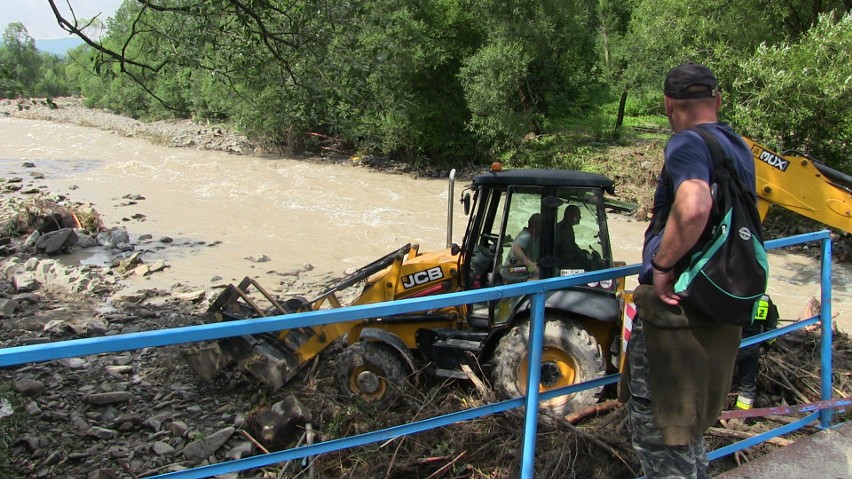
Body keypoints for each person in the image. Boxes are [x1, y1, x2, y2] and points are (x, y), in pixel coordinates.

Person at [619, 62, 758, 479]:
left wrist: (662, 265)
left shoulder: (686, 145)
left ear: (667, 105)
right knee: (690, 428)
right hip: (718, 308)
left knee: (660, 432)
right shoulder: (738, 147)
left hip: (676, 316)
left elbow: (695, 206)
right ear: (717, 100)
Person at [734, 294, 779, 410]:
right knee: (747, 385)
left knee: (719, 381)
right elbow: (771, 328)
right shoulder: (764, 299)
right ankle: (741, 415)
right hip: (751, 348)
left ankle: (714, 413)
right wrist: (766, 345)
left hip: (729, 348)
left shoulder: (729, 291)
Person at [500, 213, 541, 283]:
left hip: (522, 269)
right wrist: (530, 264)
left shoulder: (536, 237)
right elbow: (516, 248)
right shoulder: (526, 236)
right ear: (534, 226)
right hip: (512, 270)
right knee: (540, 276)